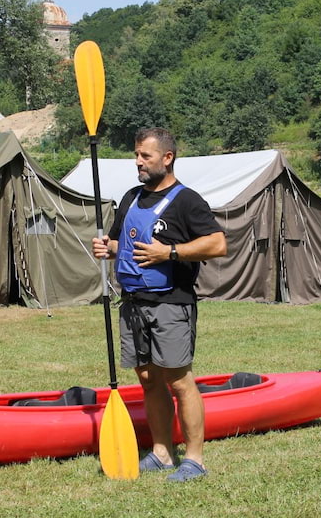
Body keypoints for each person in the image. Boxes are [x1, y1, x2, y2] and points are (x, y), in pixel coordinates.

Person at [92, 127, 227, 482]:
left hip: (171, 302)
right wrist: (108, 248)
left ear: (167, 158)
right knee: (149, 380)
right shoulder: (131, 198)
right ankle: (162, 453)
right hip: (133, 302)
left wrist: (169, 251)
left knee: (179, 380)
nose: (138, 162)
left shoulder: (187, 201)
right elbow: (123, 245)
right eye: (136, 155)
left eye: (145, 156)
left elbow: (217, 244)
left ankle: (194, 460)